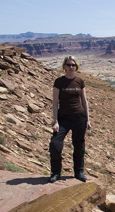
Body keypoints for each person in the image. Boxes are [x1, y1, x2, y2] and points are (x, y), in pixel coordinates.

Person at [48, 55, 91, 183]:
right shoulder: (59, 82)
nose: (71, 67)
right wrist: (55, 121)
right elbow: (55, 102)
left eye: (73, 65)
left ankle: (79, 172)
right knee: (55, 144)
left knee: (79, 145)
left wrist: (88, 119)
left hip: (79, 117)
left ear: (76, 66)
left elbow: (84, 100)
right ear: (64, 67)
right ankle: (55, 172)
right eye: (68, 65)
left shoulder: (80, 81)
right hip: (64, 118)